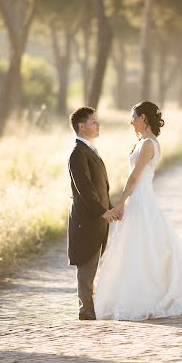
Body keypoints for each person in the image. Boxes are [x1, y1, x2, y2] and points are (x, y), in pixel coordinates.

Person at [94, 101, 182, 321]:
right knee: (138, 247)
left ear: (144, 118)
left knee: (142, 246)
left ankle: (146, 295)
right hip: (140, 200)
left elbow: (135, 177)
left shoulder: (148, 144)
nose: (131, 121)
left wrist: (120, 203)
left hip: (141, 200)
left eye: (134, 117)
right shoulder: (144, 142)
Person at [67, 107, 119, 320]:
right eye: (93, 122)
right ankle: (86, 311)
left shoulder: (90, 150)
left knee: (93, 264)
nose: (98, 125)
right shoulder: (77, 153)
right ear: (81, 126)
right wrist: (102, 212)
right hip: (87, 220)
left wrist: (110, 208)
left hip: (97, 219)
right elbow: (85, 189)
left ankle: (91, 308)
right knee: (87, 268)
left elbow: (100, 188)